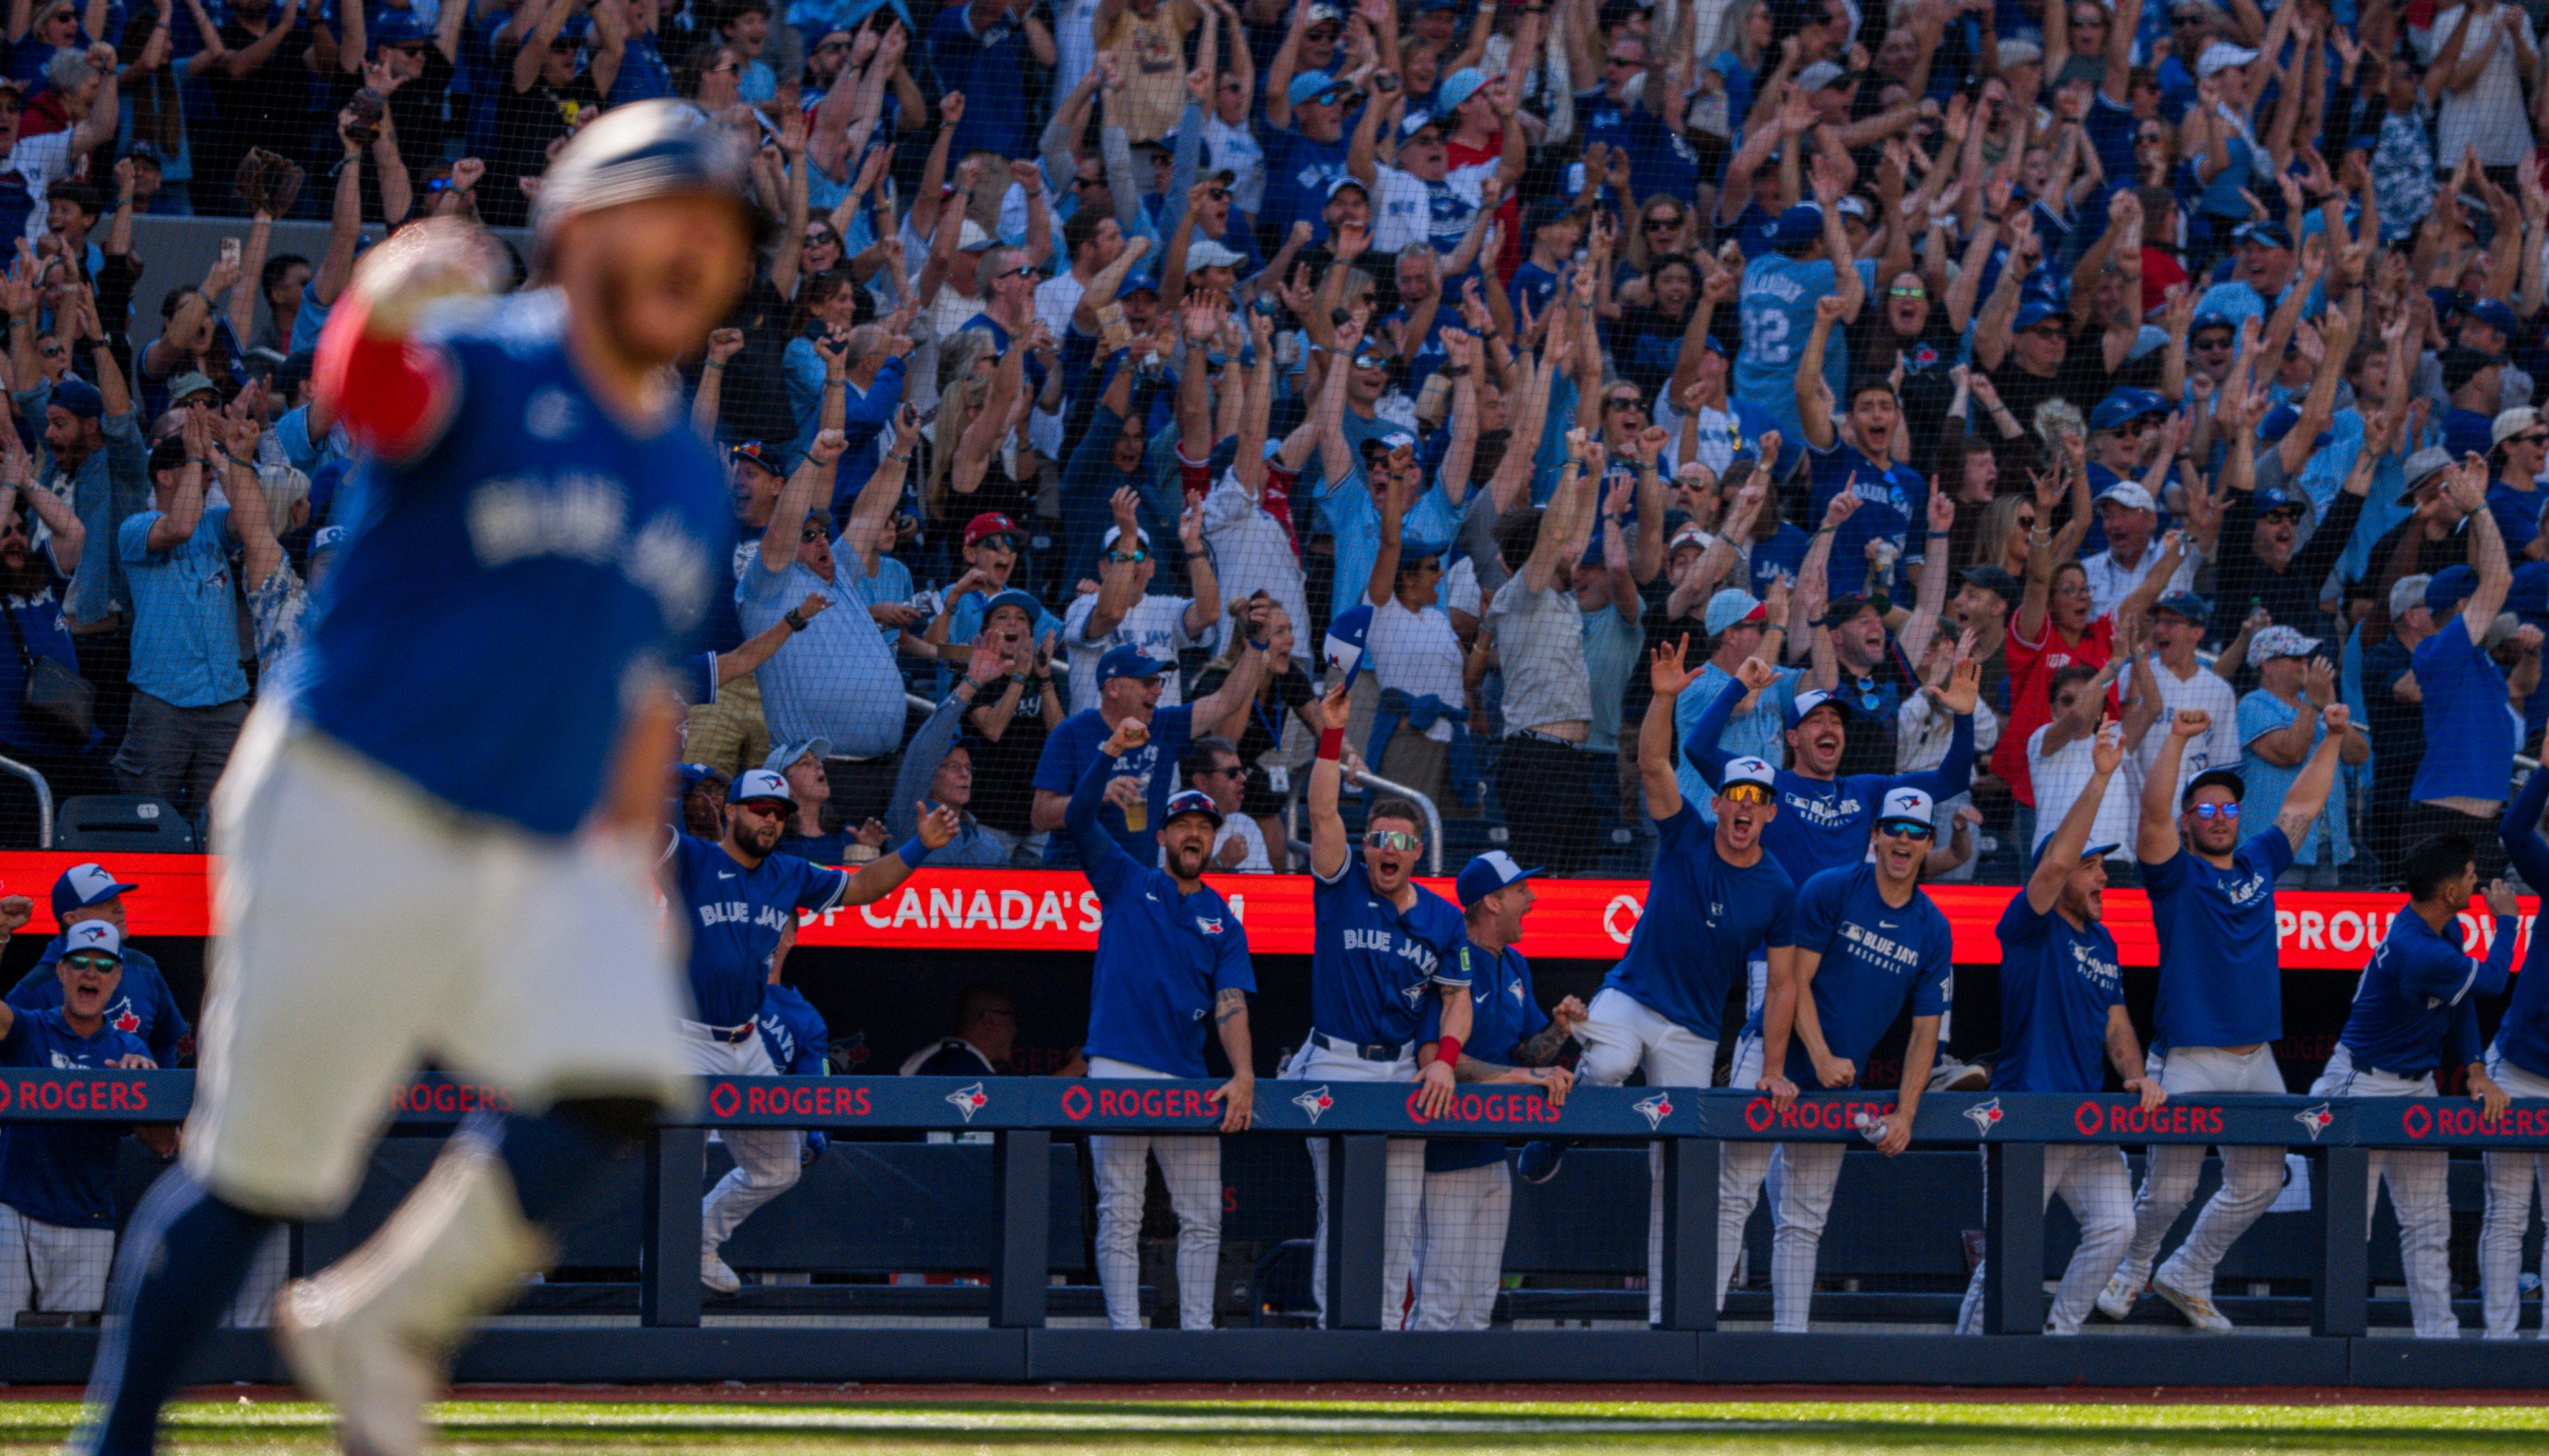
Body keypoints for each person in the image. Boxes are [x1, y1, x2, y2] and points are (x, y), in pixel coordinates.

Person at [71, 103, 773, 1456]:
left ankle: (384, 1316)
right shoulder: (485, 355)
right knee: (256, 1174)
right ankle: (116, 1441)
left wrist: (636, 865)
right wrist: (394, 282)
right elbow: (363, 390)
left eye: (718, 238)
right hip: (351, 802)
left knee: (624, 1069)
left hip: (533, 842)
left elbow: (638, 694)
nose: (694, 254)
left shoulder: (688, 477)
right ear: (575, 229)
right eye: (664, 220)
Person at [1563, 637, 1796, 1323]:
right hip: (1632, 994)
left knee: (1682, 1168)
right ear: (1719, 802)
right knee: (1607, 1061)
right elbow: (1653, 762)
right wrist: (1664, 697)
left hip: (1693, 1030)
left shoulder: (1778, 888)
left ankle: (1672, 1320)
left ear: (1770, 813)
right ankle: (1559, 1126)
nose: (1745, 807)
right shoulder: (1687, 834)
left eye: (1758, 798)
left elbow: (1782, 986)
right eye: (1735, 795)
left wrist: (1774, 1070)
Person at [2103, 700, 2351, 1332]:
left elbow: (2299, 808)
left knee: (2263, 1179)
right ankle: (2130, 1272)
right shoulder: (2174, 876)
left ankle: (2186, 1271)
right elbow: (2151, 816)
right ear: (2189, 822)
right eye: (2206, 809)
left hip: (2255, 1057)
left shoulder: (2258, 863)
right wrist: (2178, 741)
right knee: (2166, 1189)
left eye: (2228, 808)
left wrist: (2330, 738)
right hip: (2187, 1055)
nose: (2218, 817)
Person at [670, 767, 956, 1293]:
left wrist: (920, 847)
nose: (770, 820)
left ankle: (696, 1239)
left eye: (779, 813)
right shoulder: (692, 857)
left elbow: (864, 884)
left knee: (779, 1166)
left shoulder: (789, 872)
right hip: (686, 1036)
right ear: (730, 812)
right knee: (678, 1164)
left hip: (746, 1039)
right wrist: (676, 776)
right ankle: (666, 1259)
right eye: (758, 808)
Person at [1956, 721, 2162, 1337]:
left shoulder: (2101, 939)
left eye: (2103, 867)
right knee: (2006, 1247)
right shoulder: (2030, 924)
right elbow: (2049, 868)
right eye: (2092, 867)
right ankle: (1962, 1359)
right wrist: (2100, 775)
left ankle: (2059, 1334)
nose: (2102, 878)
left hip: (2085, 1116)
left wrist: (2134, 1076)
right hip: (2026, 1110)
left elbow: (2116, 1022)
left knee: (2116, 1228)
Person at [1727, 786, 1956, 1335]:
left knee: (1804, 1220)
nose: (1903, 840)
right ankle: (1693, 1335)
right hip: (1770, 1052)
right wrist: (1822, 1054)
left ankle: (1789, 1347)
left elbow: (1926, 1032)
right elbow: (1791, 982)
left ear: (1928, 844)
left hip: (1834, 1084)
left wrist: (1904, 1112)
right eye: (1893, 829)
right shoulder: (1831, 887)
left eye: (1915, 832)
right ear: (1874, 835)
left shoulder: (1933, 926)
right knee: (1731, 1196)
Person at [1284, 672, 1469, 1330]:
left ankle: (1386, 1338)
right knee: (1342, 1206)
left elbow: (1457, 1001)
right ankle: (1332, 1331)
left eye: (1398, 843)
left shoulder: (1445, 920)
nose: (1385, 851)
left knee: (1397, 1210)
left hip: (1400, 1068)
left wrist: (1444, 1059)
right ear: (1366, 848)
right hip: (1334, 1061)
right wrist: (1333, 732)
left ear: (1417, 852)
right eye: (1377, 841)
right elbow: (1324, 810)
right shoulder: (1341, 886)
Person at [1066, 715, 1256, 1332]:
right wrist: (1110, 750)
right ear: (1165, 835)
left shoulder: (1223, 920)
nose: (1194, 835)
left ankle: (1196, 1338)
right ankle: (1126, 1336)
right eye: (1184, 826)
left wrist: (1245, 1074)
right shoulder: (1126, 879)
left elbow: (1230, 1002)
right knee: (1119, 1211)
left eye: (1205, 827)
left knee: (1203, 1215)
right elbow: (1077, 819)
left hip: (1185, 1075)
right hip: (1119, 1064)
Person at [2308, 833, 2516, 1341]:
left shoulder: (2443, 929)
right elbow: (2488, 983)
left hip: (2415, 1086)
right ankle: (2337, 1347)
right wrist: (2507, 920)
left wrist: (2474, 1067)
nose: (2476, 880)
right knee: (2349, 1225)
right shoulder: (2417, 947)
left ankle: (2437, 1338)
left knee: (2429, 1223)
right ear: (2448, 891)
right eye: (2469, 875)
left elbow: (2461, 1000)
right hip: (2361, 1085)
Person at [1408, 850, 1578, 1332]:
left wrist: (1560, 1029)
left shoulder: (1516, 963)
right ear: (1491, 902)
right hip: (1444, 1151)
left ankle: (1465, 1405)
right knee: (1438, 1297)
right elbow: (1436, 1060)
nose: (1532, 897)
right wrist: (1513, 1079)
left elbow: (1527, 1055)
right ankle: (1416, 1399)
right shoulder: (1452, 960)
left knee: (1480, 1300)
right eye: (1520, 889)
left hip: (1490, 1152)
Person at [1685, 650, 1984, 888]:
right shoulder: (1768, 784)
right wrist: (1737, 688)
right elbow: (1698, 748)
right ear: (1793, 739)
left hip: (1839, 945)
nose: (1829, 727)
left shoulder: (1868, 791)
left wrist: (1964, 715)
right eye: (1816, 721)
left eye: (1836, 721)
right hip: (1779, 944)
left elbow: (1953, 780)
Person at [0, 917, 169, 1321]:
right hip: (14, 1213)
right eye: (79, 961)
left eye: (105, 964)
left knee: (69, 1362)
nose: (91, 972)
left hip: (87, 1225)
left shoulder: (128, 1047)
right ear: (61, 970)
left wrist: (144, 1087)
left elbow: (163, 1144)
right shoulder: (30, 1027)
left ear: (117, 978)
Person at [2484, 760, 2549, 1339]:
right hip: (2519, 1069)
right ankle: (2498, 1342)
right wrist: (2546, 771)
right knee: (2507, 1214)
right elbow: (2514, 834)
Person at [6, 862, 186, 1070]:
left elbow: (165, 1041)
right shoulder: (36, 986)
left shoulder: (143, 968)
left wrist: (159, 1092)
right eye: (104, 903)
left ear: (118, 974)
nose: (120, 908)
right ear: (73, 919)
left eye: (117, 899)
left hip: (129, 1099)